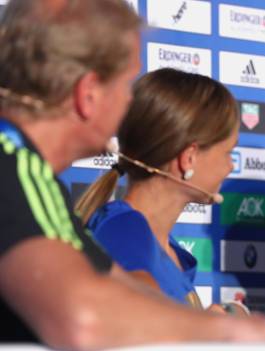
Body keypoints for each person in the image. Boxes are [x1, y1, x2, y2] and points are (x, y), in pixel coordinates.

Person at [0, 0, 265, 351]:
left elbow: (123, 291)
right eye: (127, 85)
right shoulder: (11, 166)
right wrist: (228, 332)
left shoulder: (35, 178)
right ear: (88, 95)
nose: (131, 103)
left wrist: (214, 323)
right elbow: (85, 318)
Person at [75, 68, 236, 309]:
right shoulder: (123, 231)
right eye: (227, 153)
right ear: (189, 158)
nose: (231, 166)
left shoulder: (160, 244)